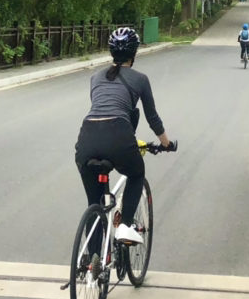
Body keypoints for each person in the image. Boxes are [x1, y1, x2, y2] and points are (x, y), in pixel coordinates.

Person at [74, 26, 174, 245]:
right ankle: (125, 226)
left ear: (112, 52)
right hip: (118, 135)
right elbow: (152, 118)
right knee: (137, 173)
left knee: (94, 203)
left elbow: (102, 109)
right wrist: (166, 144)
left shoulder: (96, 77)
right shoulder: (140, 79)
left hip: (87, 138)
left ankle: (93, 260)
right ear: (134, 52)